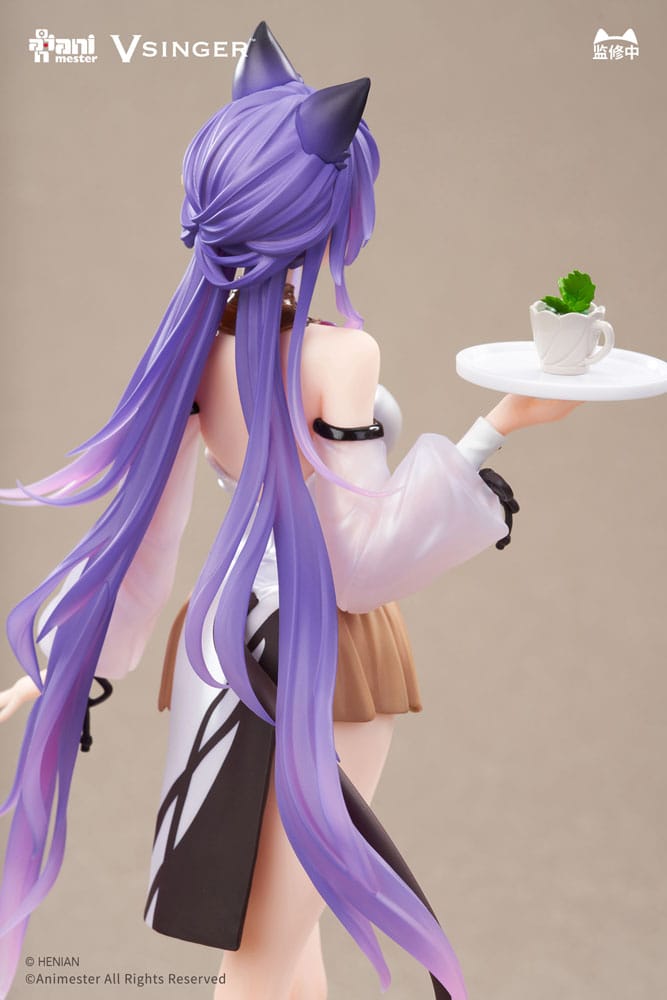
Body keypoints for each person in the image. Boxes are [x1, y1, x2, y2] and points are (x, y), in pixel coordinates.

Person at [0, 23, 579, 1000]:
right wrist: (497, 430)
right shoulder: (339, 356)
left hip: (220, 644)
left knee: (277, 934)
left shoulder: (195, 349)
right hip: (321, 653)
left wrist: (65, 659)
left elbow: (148, 535)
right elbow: (357, 562)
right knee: (265, 945)